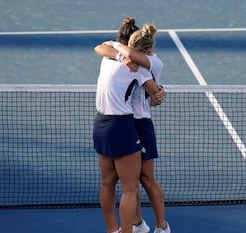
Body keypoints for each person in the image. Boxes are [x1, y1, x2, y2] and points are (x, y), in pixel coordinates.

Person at [95, 21, 171, 233]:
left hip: (108, 124)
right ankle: (132, 228)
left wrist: (158, 93)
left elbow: (155, 95)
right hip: (123, 125)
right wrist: (158, 92)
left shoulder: (114, 56)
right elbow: (155, 94)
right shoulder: (136, 64)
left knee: (121, 182)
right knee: (128, 187)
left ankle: (154, 227)